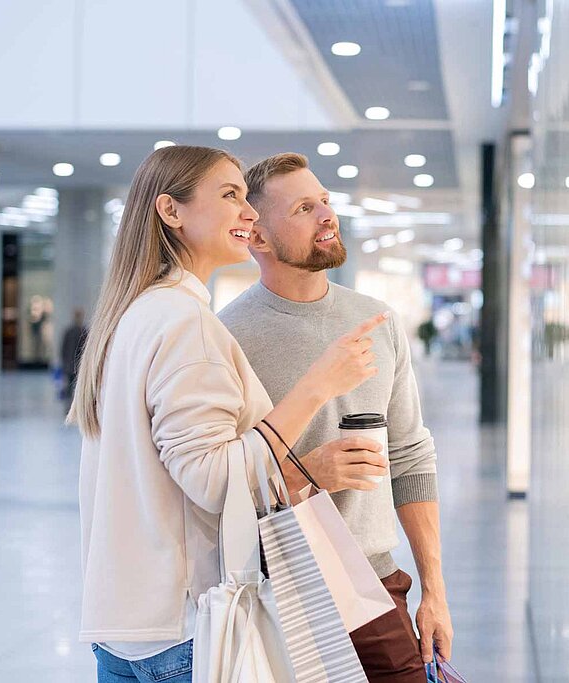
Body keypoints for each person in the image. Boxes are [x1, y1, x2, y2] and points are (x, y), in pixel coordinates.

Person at [69, 145, 387, 683]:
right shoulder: (185, 321)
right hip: (186, 631)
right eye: (229, 195)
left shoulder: (133, 313)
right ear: (171, 211)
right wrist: (317, 386)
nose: (249, 211)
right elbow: (215, 481)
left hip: (123, 630)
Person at [218, 152, 452, 682]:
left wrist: (434, 590)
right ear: (258, 237)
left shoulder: (376, 321)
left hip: (376, 582)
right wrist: (309, 473)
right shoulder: (226, 337)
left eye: (324, 200)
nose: (328, 214)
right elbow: (214, 483)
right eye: (304, 208)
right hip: (276, 592)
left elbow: (411, 456)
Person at [60, 308, 88, 404]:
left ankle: (71, 403)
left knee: (74, 385)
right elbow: (64, 348)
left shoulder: (82, 331)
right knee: (71, 385)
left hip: (75, 364)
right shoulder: (75, 331)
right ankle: (71, 404)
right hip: (73, 364)